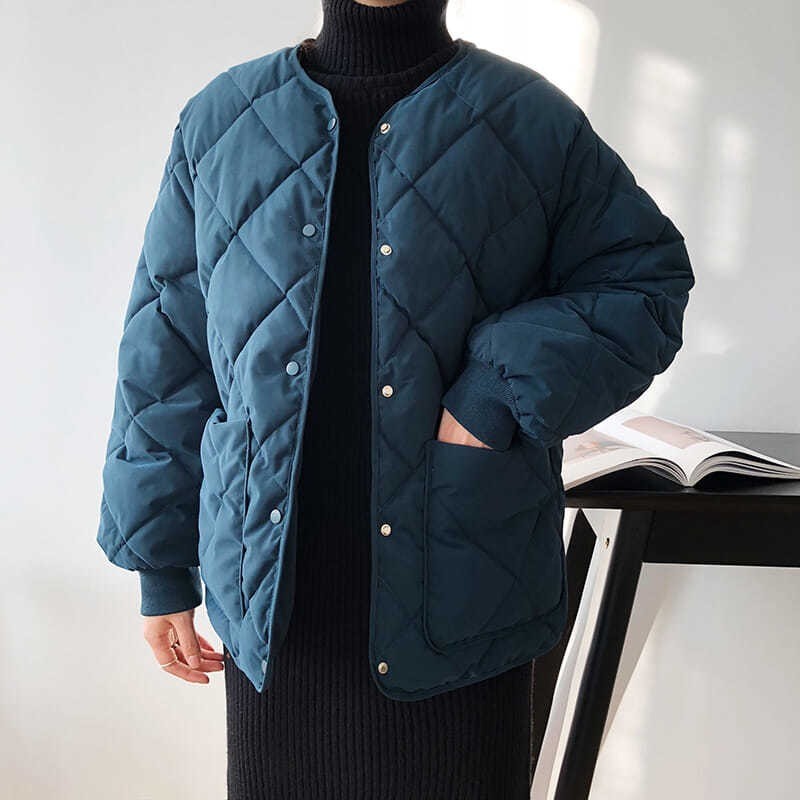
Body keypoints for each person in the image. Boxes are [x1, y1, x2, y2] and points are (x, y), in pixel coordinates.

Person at [95, 0, 694, 797]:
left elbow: (645, 282)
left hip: (464, 590)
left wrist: (493, 393)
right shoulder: (223, 119)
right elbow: (167, 349)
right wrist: (160, 567)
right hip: (276, 602)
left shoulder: (526, 116)